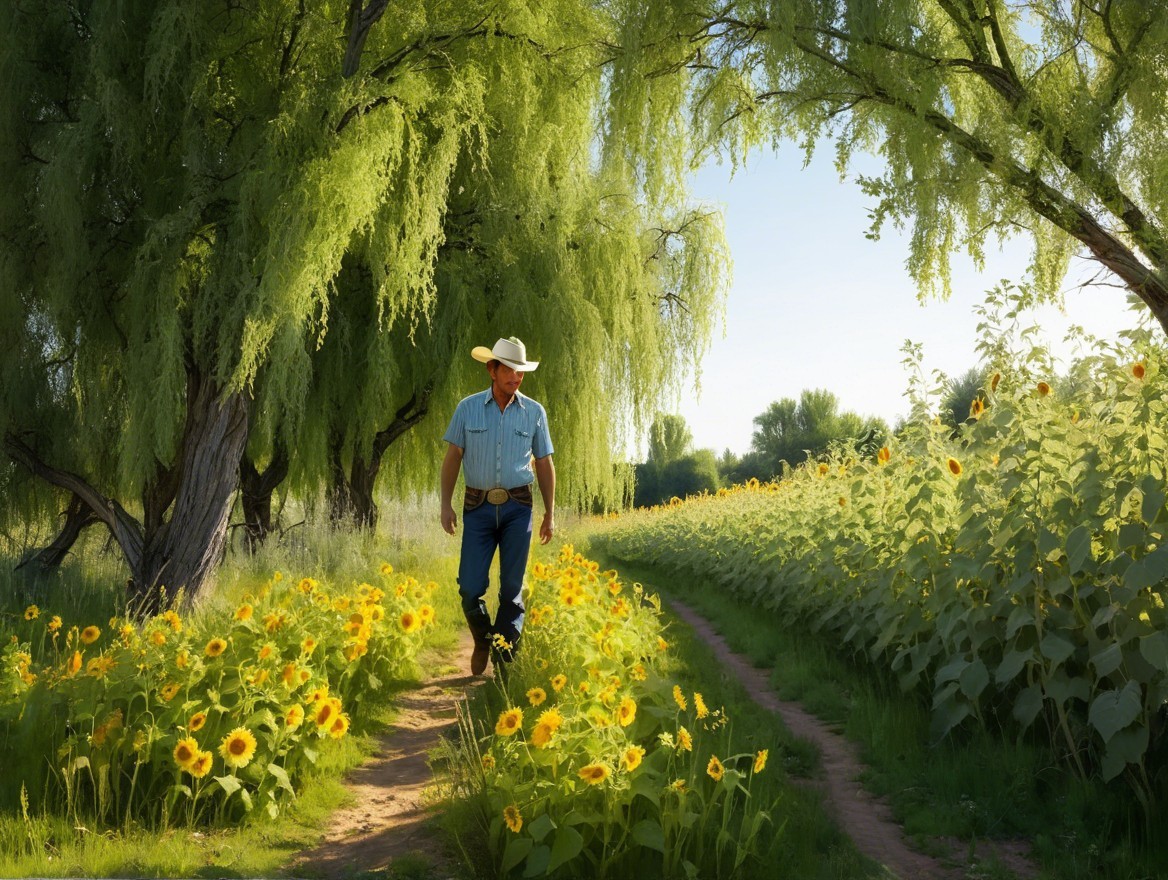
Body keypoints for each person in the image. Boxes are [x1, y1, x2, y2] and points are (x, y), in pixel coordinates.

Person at [440, 337, 555, 674]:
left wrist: (550, 512)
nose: (516, 377)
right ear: (492, 369)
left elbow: (545, 463)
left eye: (520, 372)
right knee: (470, 587)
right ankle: (482, 637)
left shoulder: (534, 413)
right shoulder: (467, 408)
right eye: (509, 370)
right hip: (477, 508)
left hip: (519, 507)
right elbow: (452, 459)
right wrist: (445, 504)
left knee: (511, 590)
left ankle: (505, 666)